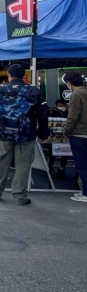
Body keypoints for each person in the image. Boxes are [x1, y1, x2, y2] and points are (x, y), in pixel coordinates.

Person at [0, 63, 49, 205]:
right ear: (24, 76)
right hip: (26, 134)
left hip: (4, 132)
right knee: (23, 164)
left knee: (1, 162)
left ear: (9, 75)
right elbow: (43, 115)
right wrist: (43, 134)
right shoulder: (34, 91)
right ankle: (20, 196)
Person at [62, 71, 87, 203]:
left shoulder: (76, 95)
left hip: (79, 134)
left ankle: (86, 193)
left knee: (82, 165)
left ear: (69, 83)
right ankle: (84, 191)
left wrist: (66, 131)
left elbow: (73, 116)